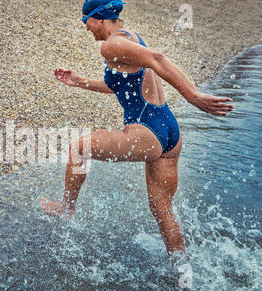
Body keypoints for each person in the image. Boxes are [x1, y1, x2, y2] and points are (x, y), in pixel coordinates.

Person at [40, 0, 234, 256]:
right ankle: (182, 272)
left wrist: (194, 96)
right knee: (162, 209)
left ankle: (67, 208)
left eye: (85, 21)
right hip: (169, 130)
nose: (86, 28)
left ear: (98, 18)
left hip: (146, 130)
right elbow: (119, 85)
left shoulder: (111, 45)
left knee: (79, 148)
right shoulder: (130, 38)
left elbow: (158, 59)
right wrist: (80, 82)